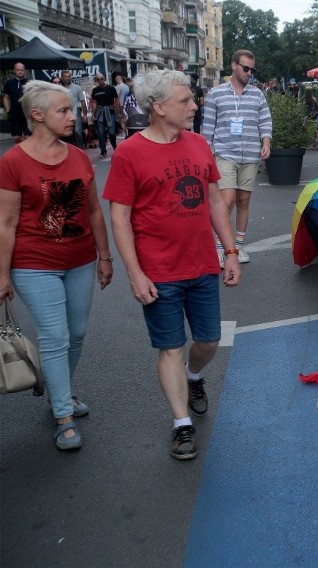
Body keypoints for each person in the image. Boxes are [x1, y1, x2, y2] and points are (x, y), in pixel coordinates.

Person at [103, 70, 241, 461]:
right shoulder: (130, 152)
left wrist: (230, 252)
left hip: (201, 266)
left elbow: (215, 200)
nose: (194, 105)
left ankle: (194, 377)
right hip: (158, 271)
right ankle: (181, 424)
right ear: (159, 107)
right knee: (170, 348)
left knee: (209, 341)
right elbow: (120, 217)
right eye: (186, 100)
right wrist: (134, 271)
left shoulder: (198, 144)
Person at [0, 80, 113, 450]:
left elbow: (94, 209)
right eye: (63, 110)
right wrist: (2, 273)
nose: (74, 116)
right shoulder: (14, 162)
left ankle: (59, 389)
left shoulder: (79, 155)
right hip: (35, 263)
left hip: (81, 258)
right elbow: (6, 223)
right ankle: (63, 413)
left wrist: (105, 255)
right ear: (37, 115)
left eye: (72, 110)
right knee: (55, 336)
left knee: (77, 332)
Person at [202, 49, 272, 267]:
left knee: (244, 201)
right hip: (225, 153)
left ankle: (239, 246)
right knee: (227, 201)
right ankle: (222, 247)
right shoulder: (216, 94)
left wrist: (266, 142)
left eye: (252, 69)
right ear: (233, 66)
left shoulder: (257, 94)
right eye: (245, 68)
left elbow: (265, 120)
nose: (249, 73)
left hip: (250, 154)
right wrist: (208, 155)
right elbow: (207, 128)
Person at [90, 73, 120, 157]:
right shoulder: (95, 90)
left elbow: (116, 100)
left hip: (110, 112)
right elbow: (94, 103)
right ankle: (103, 150)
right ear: (96, 81)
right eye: (98, 79)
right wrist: (93, 115)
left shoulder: (111, 88)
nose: (100, 81)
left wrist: (118, 112)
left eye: (101, 79)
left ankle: (114, 146)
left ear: (104, 79)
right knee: (100, 132)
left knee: (112, 132)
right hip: (99, 112)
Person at [2, 62, 31, 143]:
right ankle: (20, 151)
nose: (20, 71)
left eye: (22, 70)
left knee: (27, 137)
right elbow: (5, 97)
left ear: (24, 71)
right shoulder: (9, 83)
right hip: (14, 115)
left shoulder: (29, 83)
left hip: (26, 115)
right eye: (18, 70)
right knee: (16, 138)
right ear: (14, 71)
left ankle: (25, 153)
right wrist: (8, 111)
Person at [60, 70, 88, 147]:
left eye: (69, 76)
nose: (68, 78)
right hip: (64, 113)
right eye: (66, 77)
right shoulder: (60, 89)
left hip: (76, 111)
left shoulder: (77, 88)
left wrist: (85, 114)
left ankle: (80, 148)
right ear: (62, 78)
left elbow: (82, 101)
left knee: (77, 131)